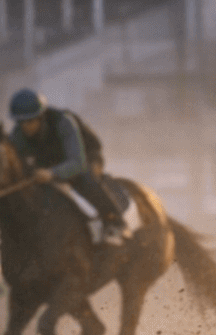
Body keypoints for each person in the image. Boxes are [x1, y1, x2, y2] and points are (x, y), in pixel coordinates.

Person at [7, 88, 127, 243]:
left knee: (85, 179)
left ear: (41, 117)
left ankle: (114, 221)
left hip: (86, 157)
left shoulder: (63, 122)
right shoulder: (17, 135)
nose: (25, 127)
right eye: (20, 122)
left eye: (30, 121)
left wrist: (51, 173)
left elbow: (77, 162)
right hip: (51, 162)